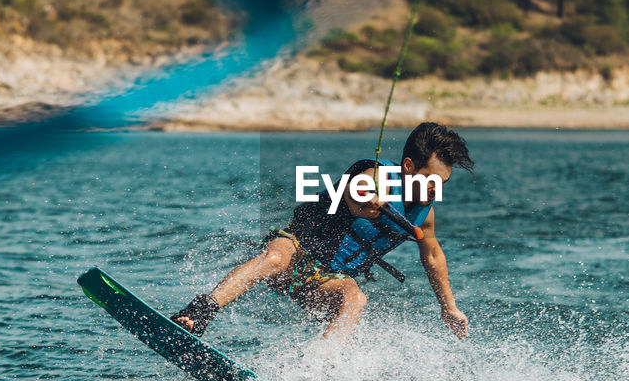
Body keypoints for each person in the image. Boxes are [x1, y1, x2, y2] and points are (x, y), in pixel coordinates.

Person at [171, 122, 474, 340]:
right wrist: (365, 199)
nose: (435, 190)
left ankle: (317, 373)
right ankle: (199, 312)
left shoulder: (425, 214)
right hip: (296, 254)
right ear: (408, 165)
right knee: (275, 257)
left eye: (441, 185)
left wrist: (449, 308)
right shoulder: (373, 176)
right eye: (430, 181)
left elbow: (432, 254)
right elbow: (357, 195)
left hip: (323, 281)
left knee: (356, 299)